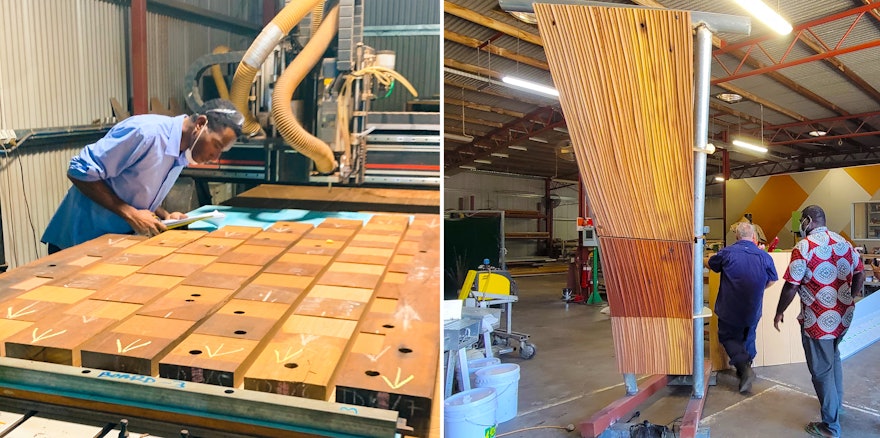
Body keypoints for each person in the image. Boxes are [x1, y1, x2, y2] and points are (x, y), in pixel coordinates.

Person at [41, 99, 244, 253]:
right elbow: (79, 170)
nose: (215, 156)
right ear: (200, 124)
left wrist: (164, 216)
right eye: (216, 145)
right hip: (77, 242)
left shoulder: (181, 152)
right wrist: (131, 214)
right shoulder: (146, 133)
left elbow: (134, 188)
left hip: (110, 244)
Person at [774, 205, 865, 438]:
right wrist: (850, 297)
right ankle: (837, 407)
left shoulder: (803, 247)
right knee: (833, 358)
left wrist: (779, 311)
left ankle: (830, 426)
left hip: (818, 320)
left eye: (802, 222)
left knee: (821, 370)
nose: (801, 226)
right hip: (843, 316)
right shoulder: (843, 242)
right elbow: (860, 273)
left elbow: (792, 284)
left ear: (808, 221)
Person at [708, 221, 778, 393]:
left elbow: (712, 264)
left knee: (728, 336)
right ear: (753, 236)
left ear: (736, 236)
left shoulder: (727, 253)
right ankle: (745, 368)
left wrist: (705, 259)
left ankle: (744, 368)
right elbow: (773, 280)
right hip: (752, 307)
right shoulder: (764, 256)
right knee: (749, 336)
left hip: (729, 307)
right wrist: (759, 289)